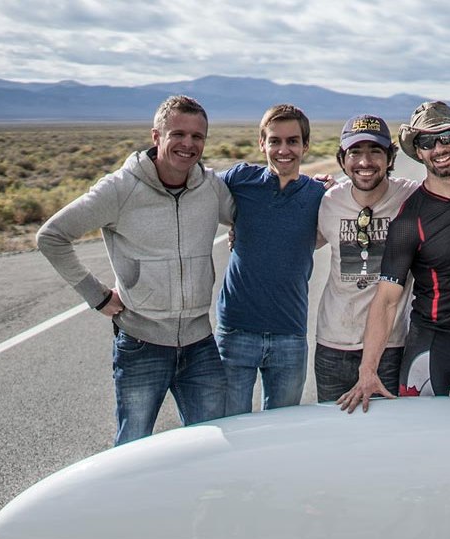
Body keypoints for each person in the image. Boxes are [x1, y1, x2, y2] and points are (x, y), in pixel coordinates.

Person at [36, 95, 233, 447]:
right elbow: (52, 236)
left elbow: (254, 216)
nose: (188, 144)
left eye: (197, 137)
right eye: (178, 134)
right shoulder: (120, 189)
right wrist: (95, 296)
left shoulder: (210, 188)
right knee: (131, 448)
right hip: (142, 345)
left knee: (214, 444)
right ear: (156, 136)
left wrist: (312, 189)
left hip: (199, 344)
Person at [339, 101, 450, 413]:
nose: (439, 148)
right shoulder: (410, 220)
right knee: (416, 449)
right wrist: (367, 371)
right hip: (431, 349)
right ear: (418, 152)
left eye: (446, 137)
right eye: (427, 142)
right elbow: (386, 300)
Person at [216, 104, 324, 416]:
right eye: (275, 141)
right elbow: (194, 189)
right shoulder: (240, 180)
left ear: (305, 146)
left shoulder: (318, 194)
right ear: (262, 143)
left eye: (292, 141)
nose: (283, 149)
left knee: (280, 434)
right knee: (230, 430)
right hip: (236, 331)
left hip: (289, 333)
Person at [313, 115, 420, 402]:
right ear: (342, 159)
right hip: (333, 345)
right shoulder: (327, 202)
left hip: (390, 346)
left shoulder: (411, 197)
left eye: (375, 151)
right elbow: (290, 240)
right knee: (335, 434)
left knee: (385, 438)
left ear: (389, 157)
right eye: (355, 152)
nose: (365, 162)